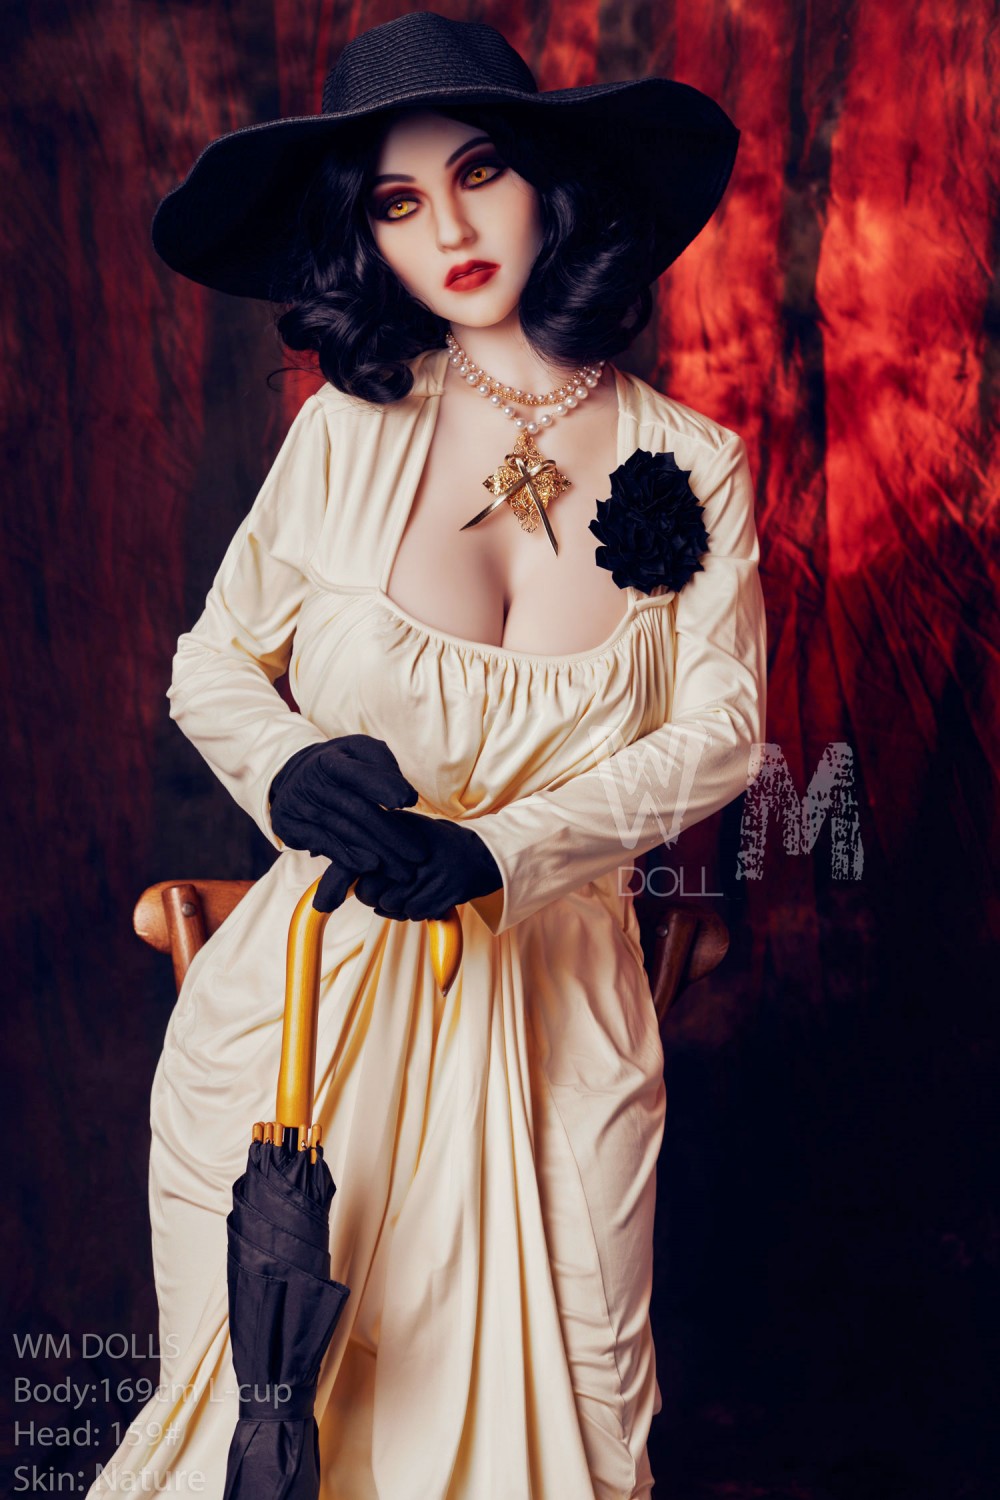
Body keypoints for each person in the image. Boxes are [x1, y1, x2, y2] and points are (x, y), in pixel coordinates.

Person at [91, 13, 766, 1499]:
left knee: (577, 1421)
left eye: (480, 174)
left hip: (557, 1002)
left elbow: (721, 729)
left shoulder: (694, 462)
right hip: (305, 1010)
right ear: (369, 237)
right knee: (275, 1425)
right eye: (400, 203)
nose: (450, 232)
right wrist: (286, 772)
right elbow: (214, 662)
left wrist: (503, 849)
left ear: (551, 183)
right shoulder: (346, 433)